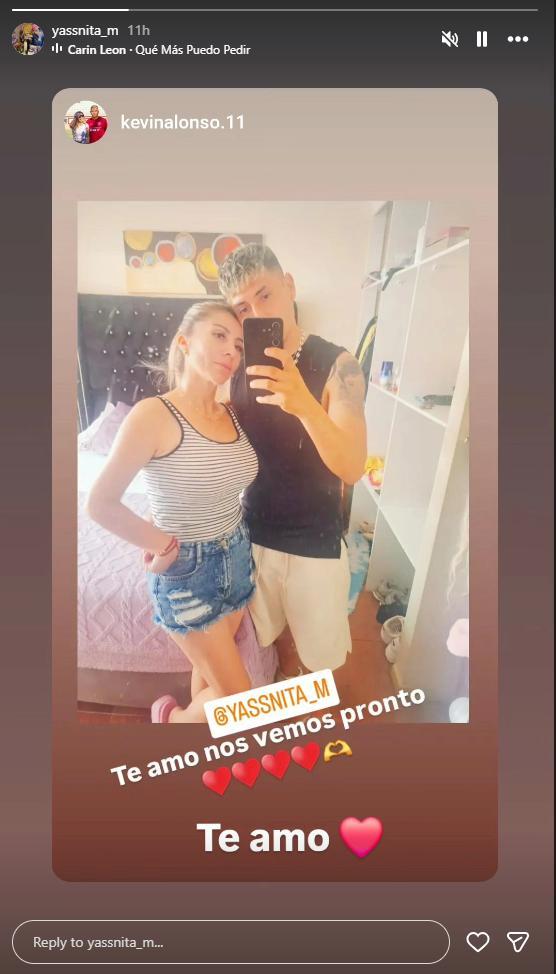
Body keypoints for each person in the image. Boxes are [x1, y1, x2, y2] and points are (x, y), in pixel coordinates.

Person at [86, 301, 259, 723]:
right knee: (242, 703)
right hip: (188, 573)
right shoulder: (153, 414)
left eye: (239, 344)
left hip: (238, 556)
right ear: (184, 342)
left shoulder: (233, 413)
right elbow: (100, 503)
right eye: (219, 335)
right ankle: (173, 721)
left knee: (210, 679)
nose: (232, 351)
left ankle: (191, 730)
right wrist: (159, 542)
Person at [218, 244, 367, 680]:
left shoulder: (339, 365)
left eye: (265, 295)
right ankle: (285, 690)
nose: (257, 313)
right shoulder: (235, 368)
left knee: (320, 661)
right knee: (272, 644)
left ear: (289, 286)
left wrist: (303, 402)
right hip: (253, 535)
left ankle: (313, 709)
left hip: (314, 541)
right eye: (243, 308)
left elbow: (352, 467)